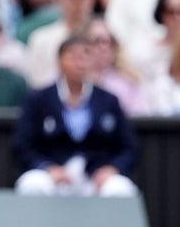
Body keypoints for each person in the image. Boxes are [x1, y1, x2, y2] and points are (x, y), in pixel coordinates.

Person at [13, 32, 139, 197]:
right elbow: (23, 144)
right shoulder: (39, 99)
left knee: (120, 189)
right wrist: (46, 167)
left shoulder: (108, 100)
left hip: (95, 178)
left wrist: (112, 168)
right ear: (59, 62)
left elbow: (129, 146)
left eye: (86, 56)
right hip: (54, 176)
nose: (79, 63)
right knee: (32, 184)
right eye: (73, 57)